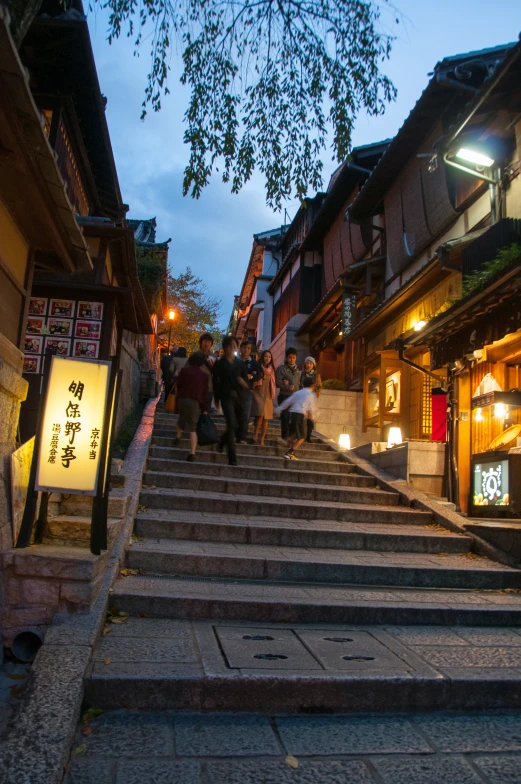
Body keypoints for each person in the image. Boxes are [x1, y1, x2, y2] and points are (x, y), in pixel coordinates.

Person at [213, 335, 249, 466]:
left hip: (239, 397)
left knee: (239, 423)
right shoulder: (220, 363)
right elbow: (215, 382)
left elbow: (247, 381)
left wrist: (243, 382)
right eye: (230, 346)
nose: (233, 348)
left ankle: (222, 441)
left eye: (235, 346)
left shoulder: (240, 364)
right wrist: (216, 399)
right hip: (226, 396)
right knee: (231, 423)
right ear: (225, 347)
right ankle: (232, 457)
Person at [174, 351, 209, 462]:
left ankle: (178, 436)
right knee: (193, 427)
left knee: (182, 418)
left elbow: (178, 385)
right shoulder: (204, 376)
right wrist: (205, 408)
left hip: (182, 399)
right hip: (194, 402)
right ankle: (192, 453)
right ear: (201, 363)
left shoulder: (184, 371)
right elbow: (205, 393)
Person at [275, 377, 318, 460]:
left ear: (303, 384)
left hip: (292, 414)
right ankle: (289, 453)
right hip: (300, 415)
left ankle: (285, 441)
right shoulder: (311, 394)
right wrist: (312, 418)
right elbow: (311, 408)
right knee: (302, 436)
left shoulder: (297, 393)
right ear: (312, 386)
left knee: (295, 434)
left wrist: (278, 410)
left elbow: (288, 402)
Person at [252, 349, 276, 445]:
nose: (267, 358)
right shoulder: (258, 367)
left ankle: (262, 439)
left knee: (266, 418)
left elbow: (273, 382)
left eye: (269, 357)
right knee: (259, 416)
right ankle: (255, 434)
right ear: (262, 357)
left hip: (268, 395)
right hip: (259, 393)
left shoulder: (272, 369)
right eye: (266, 356)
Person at [275, 347, 301, 440]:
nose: (292, 359)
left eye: (294, 357)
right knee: (285, 416)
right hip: (284, 395)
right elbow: (277, 381)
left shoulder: (298, 371)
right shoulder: (282, 369)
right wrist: (286, 386)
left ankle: (291, 435)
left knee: (294, 416)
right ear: (286, 358)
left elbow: (299, 383)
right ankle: (284, 435)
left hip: (295, 396)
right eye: (290, 357)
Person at [237, 340, 260, 443]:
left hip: (247, 391)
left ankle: (242, 437)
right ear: (240, 348)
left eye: (249, 348)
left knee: (245, 415)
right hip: (235, 390)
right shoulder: (235, 361)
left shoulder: (254, 362)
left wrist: (252, 376)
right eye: (245, 348)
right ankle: (233, 435)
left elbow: (260, 375)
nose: (246, 350)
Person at [300, 356, 322, 442]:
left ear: (313, 364)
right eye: (307, 363)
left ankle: (308, 436)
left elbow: (319, 386)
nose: (309, 365)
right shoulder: (302, 373)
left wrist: (316, 394)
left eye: (310, 363)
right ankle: (302, 434)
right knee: (303, 416)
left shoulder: (316, 374)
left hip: (312, 397)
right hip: (303, 397)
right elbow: (299, 383)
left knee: (311, 416)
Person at [199, 332, 216, 412]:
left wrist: (213, 367)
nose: (206, 344)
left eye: (209, 342)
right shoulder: (195, 355)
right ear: (201, 342)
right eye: (205, 341)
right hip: (196, 385)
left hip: (209, 386)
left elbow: (217, 372)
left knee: (206, 409)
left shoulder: (214, 356)